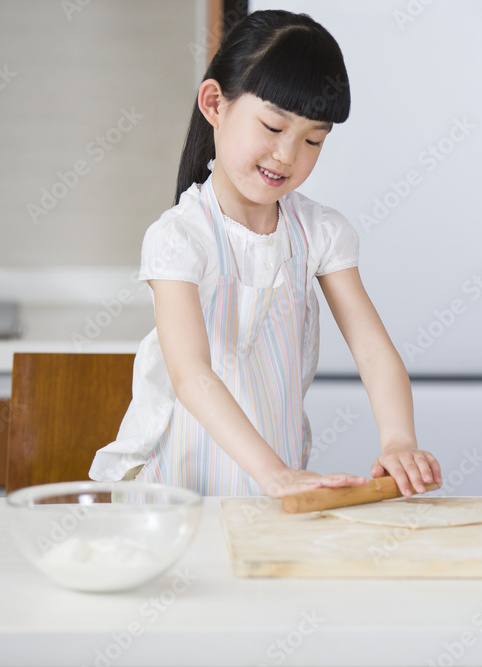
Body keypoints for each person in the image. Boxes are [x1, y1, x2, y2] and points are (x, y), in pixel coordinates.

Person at [89, 10, 441, 498]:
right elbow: (191, 376)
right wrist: (272, 472)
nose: (288, 155)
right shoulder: (180, 237)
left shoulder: (320, 232)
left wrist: (399, 440)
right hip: (178, 493)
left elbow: (372, 350)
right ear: (215, 104)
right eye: (274, 127)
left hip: (276, 485)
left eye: (313, 139)